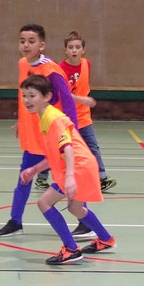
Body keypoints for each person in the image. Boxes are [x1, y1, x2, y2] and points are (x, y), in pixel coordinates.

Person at [18, 74, 116, 264]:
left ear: (47, 96)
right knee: (75, 208)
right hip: (80, 165)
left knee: (44, 203)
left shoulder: (53, 118)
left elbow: (67, 147)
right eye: (24, 95)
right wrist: (34, 170)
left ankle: (71, 249)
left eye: (32, 95)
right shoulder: (44, 117)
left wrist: (70, 177)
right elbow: (55, 154)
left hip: (77, 167)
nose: (27, 100)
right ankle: (106, 239)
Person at [0, 24, 78, 238]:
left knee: (65, 181)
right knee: (24, 177)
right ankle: (15, 221)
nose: (26, 45)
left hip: (53, 136)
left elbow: (68, 102)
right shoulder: (23, 63)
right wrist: (22, 122)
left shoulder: (51, 70)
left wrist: (72, 132)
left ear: (42, 45)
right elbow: (26, 97)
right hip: (33, 136)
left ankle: (84, 221)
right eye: (22, 41)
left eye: (31, 41)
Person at [35, 31, 118, 240]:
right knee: (62, 152)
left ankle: (100, 180)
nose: (74, 50)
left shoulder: (86, 65)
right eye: (70, 47)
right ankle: (43, 177)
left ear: (83, 50)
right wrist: (81, 100)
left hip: (83, 118)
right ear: (65, 50)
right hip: (68, 116)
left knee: (86, 152)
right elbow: (64, 94)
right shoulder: (59, 70)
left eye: (77, 47)